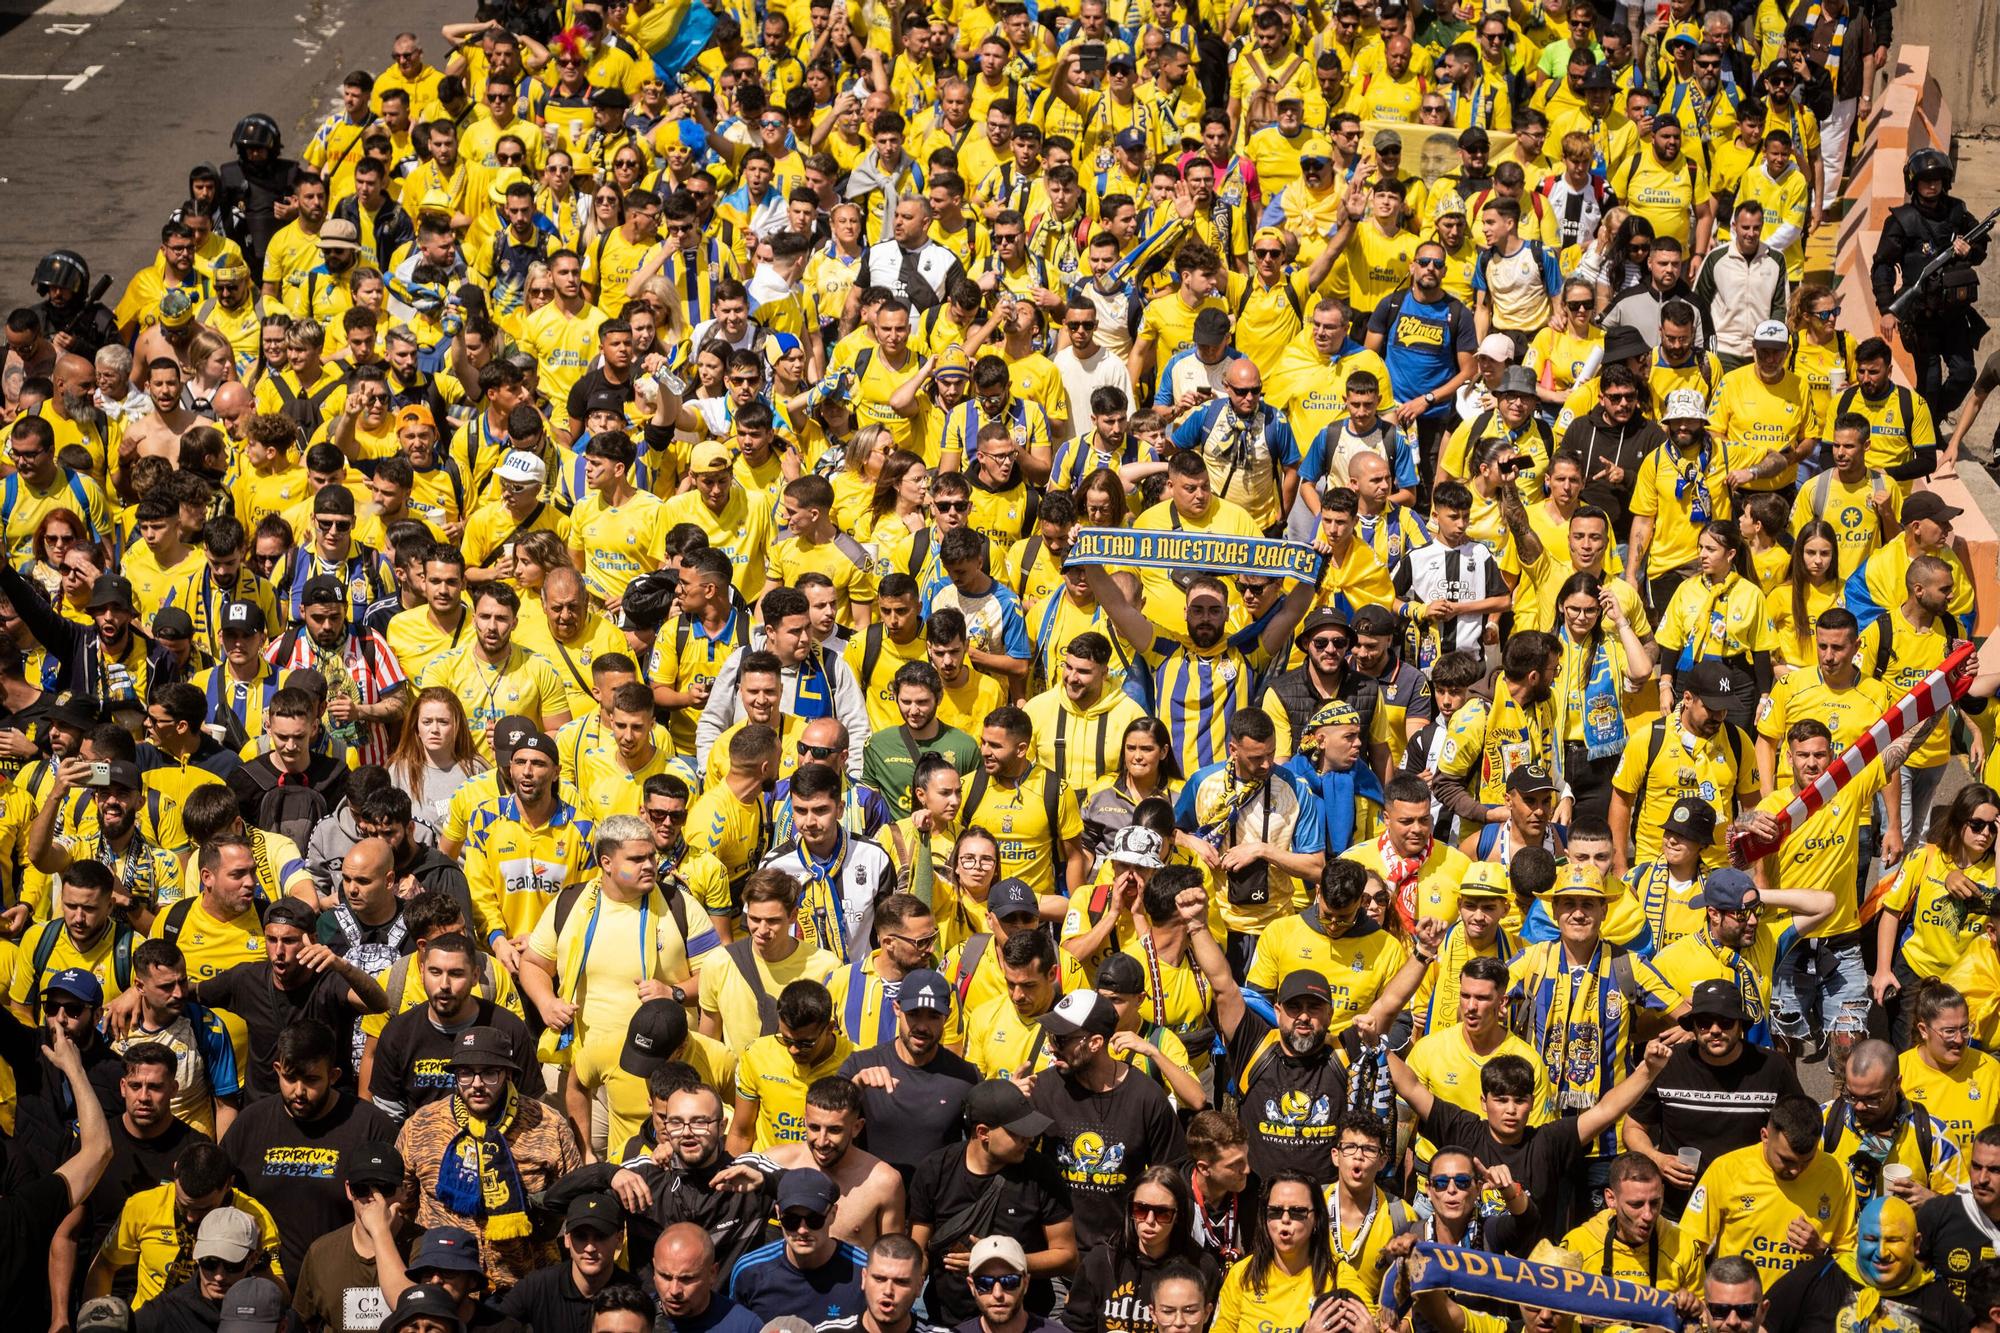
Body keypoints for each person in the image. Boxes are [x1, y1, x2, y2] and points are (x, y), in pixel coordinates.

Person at [394, 1026, 585, 1288]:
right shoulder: (421, 1125)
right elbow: (402, 1204)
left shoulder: (548, 1124)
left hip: (525, 1283)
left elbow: (574, 1197)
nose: (477, 1084)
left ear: (507, 1074)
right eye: (466, 1073)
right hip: (446, 1284)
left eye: (489, 1073)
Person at [218, 1018, 396, 1279]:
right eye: (290, 1078)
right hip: (262, 1285)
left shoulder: (370, 1126)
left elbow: (392, 1211)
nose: (299, 1091)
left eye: (311, 1080)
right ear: (277, 1069)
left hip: (342, 1283)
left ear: (333, 1076)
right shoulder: (250, 1123)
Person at [908, 1080, 1078, 1327]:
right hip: (947, 1321)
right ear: (983, 1133)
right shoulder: (935, 1171)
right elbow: (918, 1249)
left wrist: (998, 1260)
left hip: (1024, 1320)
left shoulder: (1041, 1173)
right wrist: (912, 1274)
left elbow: (1067, 1256)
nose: (1028, 1139)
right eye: (1016, 1133)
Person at [1677, 1094, 1859, 1291]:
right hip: (1740, 1308)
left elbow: (1850, 1255)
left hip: (1804, 1310)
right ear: (1765, 1136)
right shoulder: (1726, 1170)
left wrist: (1821, 1251)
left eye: (1807, 1161)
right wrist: (1698, 1298)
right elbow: (1691, 1244)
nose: (1796, 1170)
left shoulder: (1837, 1175)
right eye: (1786, 1160)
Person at [1872, 148, 1989, 424]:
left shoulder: (1957, 212)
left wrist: (1968, 249)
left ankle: (1932, 417)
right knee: (1931, 379)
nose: (1932, 185)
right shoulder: (1901, 220)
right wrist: (1887, 309)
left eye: (1937, 179)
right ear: (1914, 182)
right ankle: (1927, 433)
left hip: (1955, 314)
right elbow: (1882, 267)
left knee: (1964, 374)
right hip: (1919, 315)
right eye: (1925, 179)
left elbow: (1981, 247)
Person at [837, 967, 981, 1183]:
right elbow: (827, 1123)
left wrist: (1008, 1103)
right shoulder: (860, 1065)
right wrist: (854, 1089)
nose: (922, 1027)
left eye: (933, 1016)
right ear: (897, 1008)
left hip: (936, 1209)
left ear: (947, 1017)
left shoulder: (965, 1076)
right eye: (913, 1014)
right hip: (871, 1203)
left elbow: (984, 1144)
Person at [1762, 1195, 1972, 1333]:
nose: (1881, 1253)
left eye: (1893, 1240)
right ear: (1858, 1240)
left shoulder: (1942, 1304)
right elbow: (1761, 1325)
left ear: (1916, 1243)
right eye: (1871, 1240)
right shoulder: (1818, 1276)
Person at [728, 1167, 869, 1324]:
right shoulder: (749, 1272)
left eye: (814, 1220)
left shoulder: (864, 1271)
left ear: (833, 1214)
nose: (802, 1230)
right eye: (791, 1220)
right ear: (778, 1213)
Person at [493, 1194, 634, 1333]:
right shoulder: (537, 1286)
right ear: (567, 1238)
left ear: (619, 1239)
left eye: (600, 1236)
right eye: (581, 1236)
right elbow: (493, 1326)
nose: (590, 1248)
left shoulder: (632, 1294)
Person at [652, 1222, 765, 1333]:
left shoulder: (745, 1327)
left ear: (712, 1273)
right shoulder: (638, 1317)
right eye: (665, 1276)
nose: (674, 1290)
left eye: (687, 1279)